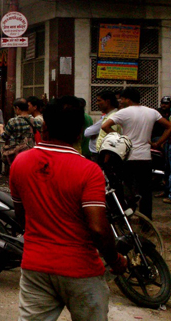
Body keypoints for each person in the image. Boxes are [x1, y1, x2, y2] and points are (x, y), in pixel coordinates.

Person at [10, 96, 128, 320]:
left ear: (44, 126)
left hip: (35, 265)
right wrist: (115, 260)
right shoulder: (89, 171)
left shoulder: (20, 163)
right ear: (79, 133)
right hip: (80, 269)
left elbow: (21, 217)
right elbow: (98, 229)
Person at [102, 88, 171, 220]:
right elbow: (169, 126)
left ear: (128, 99)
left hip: (127, 157)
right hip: (145, 157)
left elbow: (104, 126)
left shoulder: (123, 113)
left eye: (122, 98)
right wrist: (158, 143)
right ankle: (146, 220)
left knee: (126, 189)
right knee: (146, 191)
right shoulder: (152, 112)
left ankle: (126, 217)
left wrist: (119, 139)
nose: (121, 101)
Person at [84, 91, 120, 162]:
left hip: (107, 155)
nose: (97, 103)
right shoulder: (107, 116)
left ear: (107, 101)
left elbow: (112, 140)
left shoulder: (113, 117)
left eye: (99, 101)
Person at [0, 99, 38, 166]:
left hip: (16, 153)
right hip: (30, 151)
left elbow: (5, 137)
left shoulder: (13, 121)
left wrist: (1, 129)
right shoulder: (34, 120)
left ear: (17, 108)